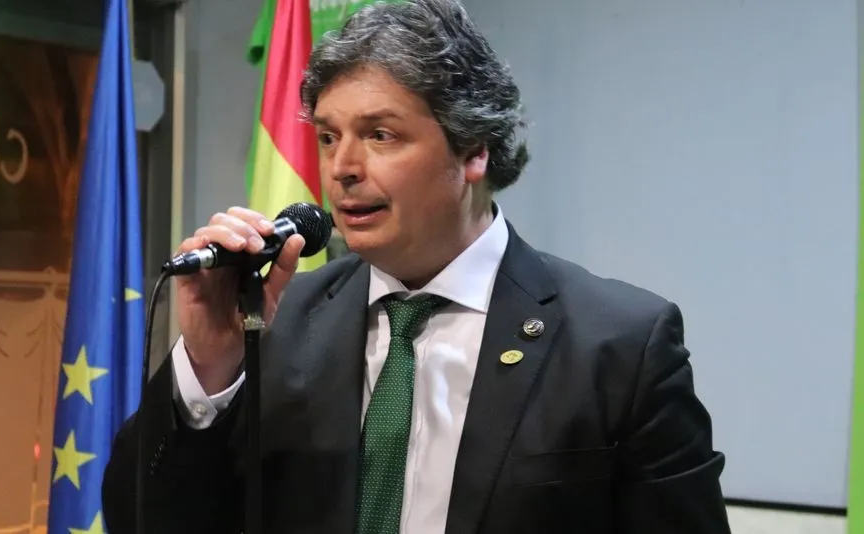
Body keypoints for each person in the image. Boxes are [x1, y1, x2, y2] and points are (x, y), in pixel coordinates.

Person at [101, 0, 732, 532]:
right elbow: (143, 521)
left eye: (381, 135)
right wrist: (208, 369)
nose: (342, 168)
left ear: (474, 149)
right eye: (328, 136)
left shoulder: (619, 345)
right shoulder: (277, 322)